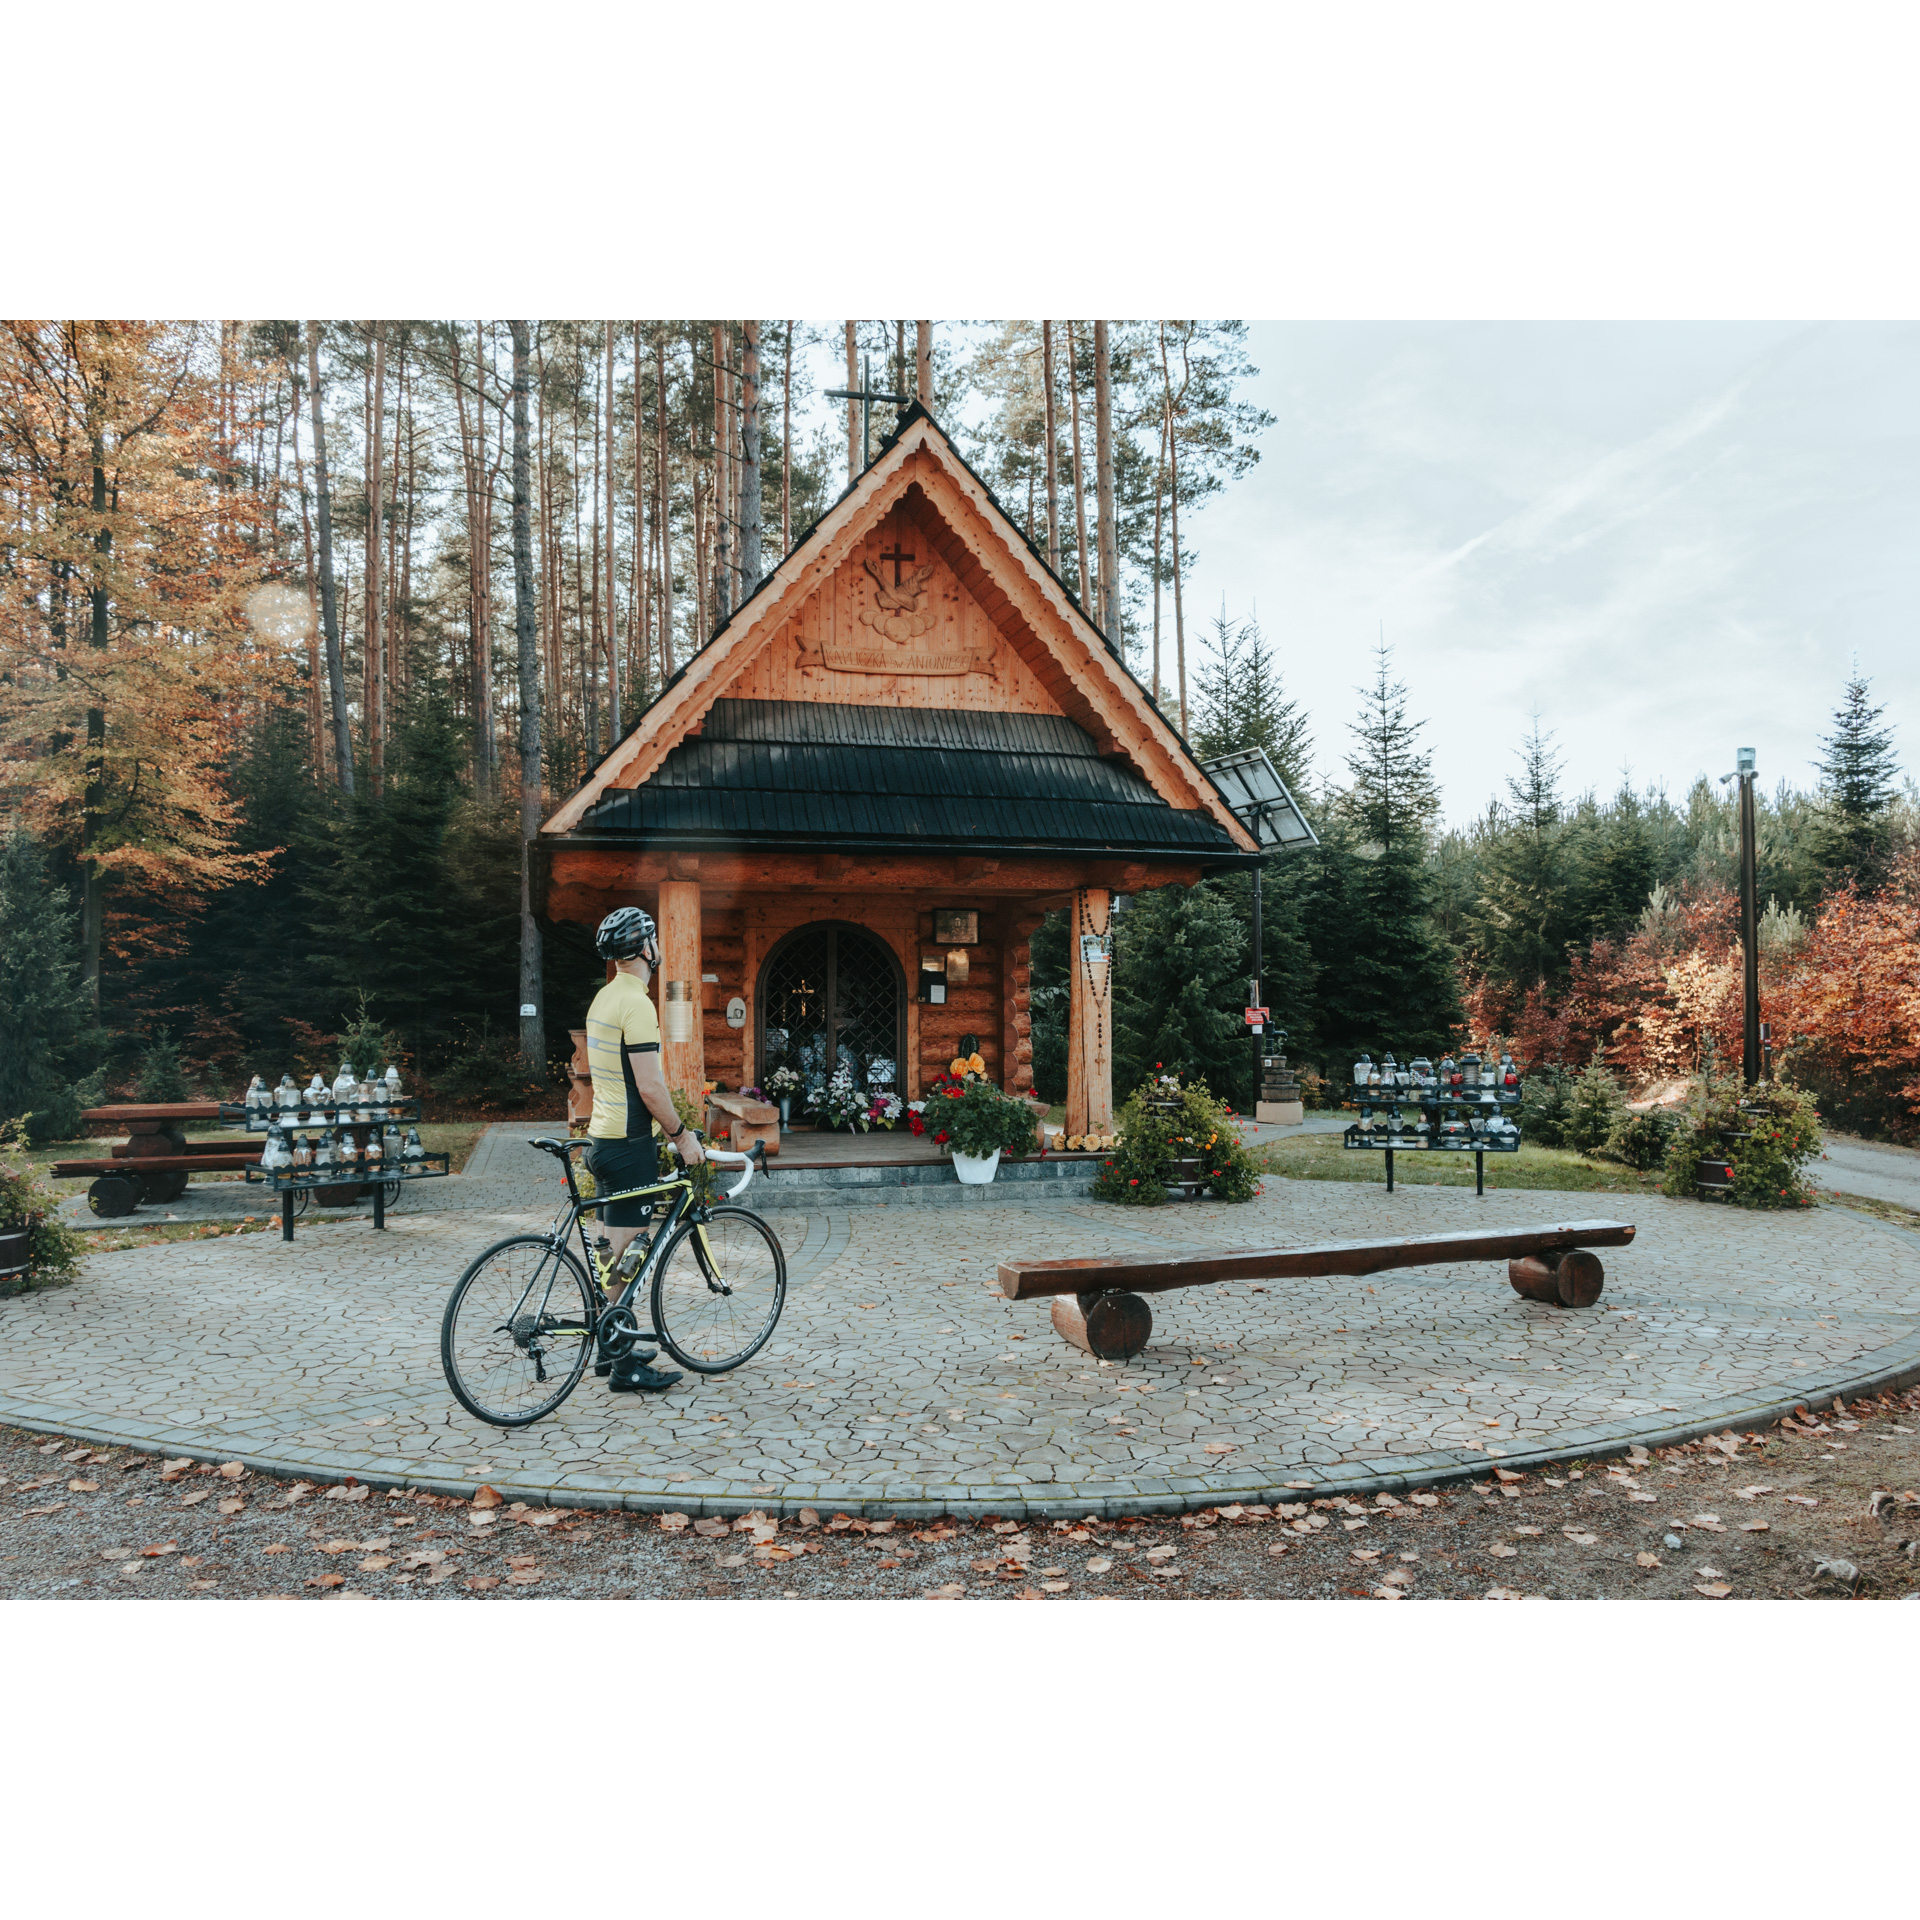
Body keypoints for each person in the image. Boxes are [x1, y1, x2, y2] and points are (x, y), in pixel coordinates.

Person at [584, 906, 705, 1394]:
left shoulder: (603, 998)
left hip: (601, 1139)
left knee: (607, 1257)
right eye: (654, 939)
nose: (659, 948)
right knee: (627, 1260)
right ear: (644, 949)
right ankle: (624, 1369)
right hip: (631, 1144)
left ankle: (609, 1343)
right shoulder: (637, 1003)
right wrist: (682, 1135)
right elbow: (651, 1087)